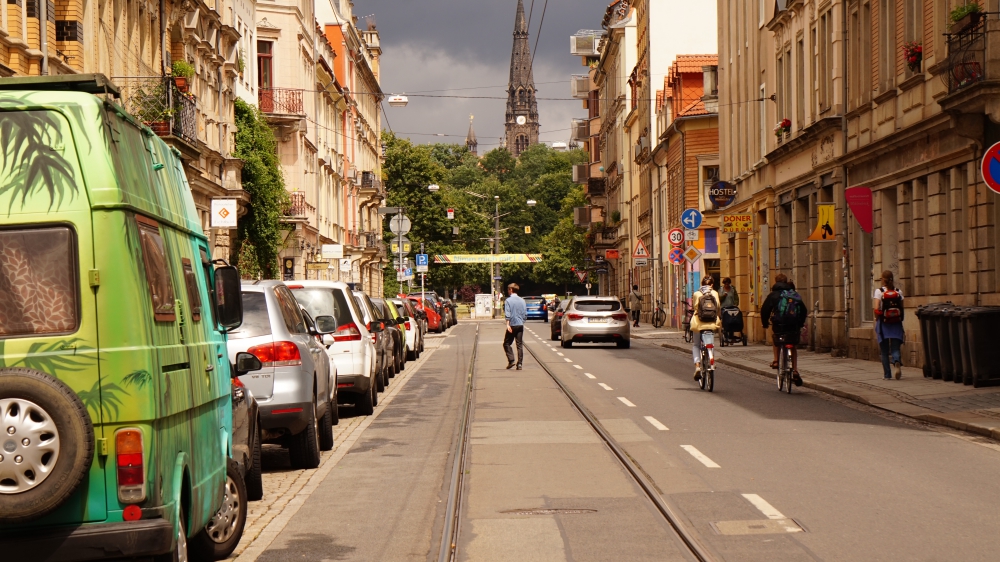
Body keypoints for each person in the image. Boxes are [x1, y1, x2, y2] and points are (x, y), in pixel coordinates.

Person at [760, 274, 807, 386]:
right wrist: (800, 323)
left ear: (776, 282)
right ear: (786, 282)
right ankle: (795, 370)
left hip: (779, 325)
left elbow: (765, 310)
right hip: (793, 326)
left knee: (776, 338)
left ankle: (776, 360)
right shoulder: (794, 294)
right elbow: (803, 310)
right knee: (793, 345)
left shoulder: (773, 295)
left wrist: (765, 323)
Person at [874, 270, 905, 380]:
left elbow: (876, 308)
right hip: (896, 323)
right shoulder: (898, 292)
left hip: (884, 323)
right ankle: (896, 361)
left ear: (883, 280)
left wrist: (877, 319)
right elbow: (901, 308)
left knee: (884, 351)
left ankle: (887, 375)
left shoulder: (879, 291)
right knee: (895, 348)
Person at [690, 276, 722, 381]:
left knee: (696, 345)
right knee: (710, 344)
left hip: (699, 323)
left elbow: (695, 307)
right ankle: (711, 359)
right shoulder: (715, 293)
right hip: (711, 323)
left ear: (702, 284)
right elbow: (717, 308)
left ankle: (698, 367)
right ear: (712, 285)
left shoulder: (696, 293)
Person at [503, 282, 527, 370]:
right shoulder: (522, 300)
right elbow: (525, 313)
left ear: (511, 290)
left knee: (506, 343)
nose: (508, 291)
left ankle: (511, 360)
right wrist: (522, 321)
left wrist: (507, 324)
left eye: (508, 290)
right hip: (520, 324)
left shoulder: (508, 300)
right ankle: (519, 364)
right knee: (519, 345)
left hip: (512, 324)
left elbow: (508, 313)